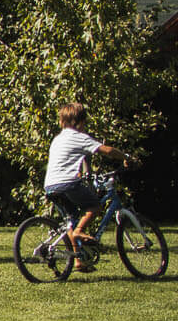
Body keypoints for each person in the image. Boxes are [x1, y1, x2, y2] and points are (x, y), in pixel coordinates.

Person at [42, 101, 128, 273]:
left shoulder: (57, 139)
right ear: (80, 122)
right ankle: (80, 231)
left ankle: (78, 260)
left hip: (51, 185)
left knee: (71, 219)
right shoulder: (79, 136)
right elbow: (107, 150)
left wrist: (85, 173)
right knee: (95, 206)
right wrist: (125, 156)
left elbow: (77, 159)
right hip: (68, 183)